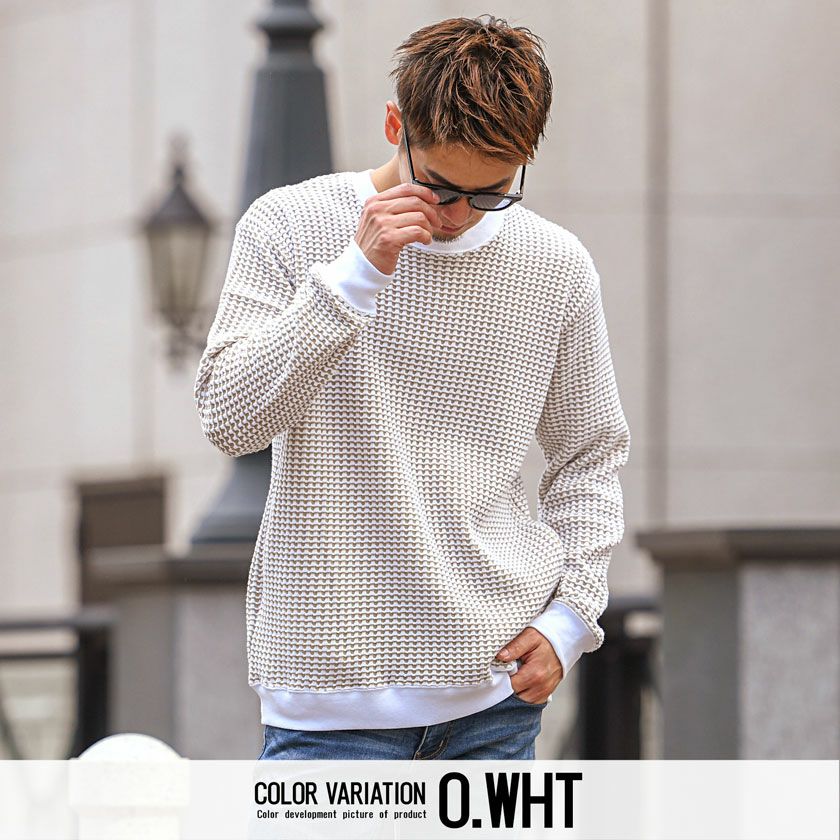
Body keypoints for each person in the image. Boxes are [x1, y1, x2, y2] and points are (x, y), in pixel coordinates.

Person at [194, 14, 631, 761]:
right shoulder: (289, 225)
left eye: (492, 193)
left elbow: (590, 456)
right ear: (396, 127)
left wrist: (569, 620)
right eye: (441, 187)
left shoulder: (557, 266)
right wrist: (353, 278)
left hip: (496, 707)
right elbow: (228, 418)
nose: (459, 215)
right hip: (328, 714)